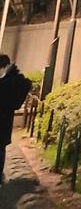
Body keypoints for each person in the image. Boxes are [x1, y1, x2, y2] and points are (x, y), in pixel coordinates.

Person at [0, 54, 32, 182]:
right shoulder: (12, 80)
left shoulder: (8, 81)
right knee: (1, 147)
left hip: (3, 118)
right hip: (5, 119)